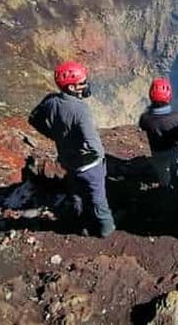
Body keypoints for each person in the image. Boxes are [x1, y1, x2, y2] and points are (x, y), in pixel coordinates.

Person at [28, 61, 115, 237]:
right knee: (98, 197)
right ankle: (106, 229)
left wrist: (54, 135)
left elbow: (33, 119)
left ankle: (81, 226)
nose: (86, 85)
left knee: (77, 194)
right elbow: (93, 144)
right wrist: (99, 158)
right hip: (89, 166)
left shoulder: (50, 101)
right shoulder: (80, 109)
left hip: (67, 161)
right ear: (73, 87)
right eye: (83, 82)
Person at [138, 77, 178, 205]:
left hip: (158, 153)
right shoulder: (175, 118)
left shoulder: (145, 118)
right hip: (175, 152)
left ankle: (167, 198)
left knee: (163, 177)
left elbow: (143, 126)